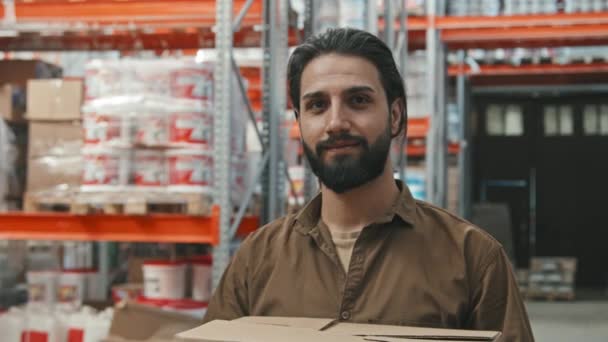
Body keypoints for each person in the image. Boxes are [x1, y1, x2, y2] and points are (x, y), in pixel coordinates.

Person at [203, 28, 534, 341]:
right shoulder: (256, 260)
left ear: (395, 116)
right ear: (300, 123)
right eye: (317, 105)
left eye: (358, 100)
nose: (336, 123)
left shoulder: (473, 259)